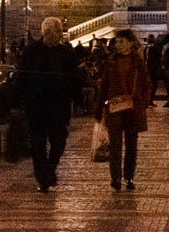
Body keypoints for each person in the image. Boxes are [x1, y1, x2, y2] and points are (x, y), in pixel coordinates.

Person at [17, 17, 84, 193]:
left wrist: (78, 100)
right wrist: (21, 100)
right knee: (37, 144)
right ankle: (42, 178)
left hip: (59, 106)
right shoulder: (31, 51)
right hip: (36, 105)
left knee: (59, 142)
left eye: (53, 32)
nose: (50, 35)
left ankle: (50, 168)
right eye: (46, 32)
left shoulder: (66, 52)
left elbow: (75, 78)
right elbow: (21, 77)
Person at [94, 29, 151, 192]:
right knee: (116, 145)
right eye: (116, 42)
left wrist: (144, 101)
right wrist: (99, 109)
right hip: (115, 108)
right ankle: (116, 177)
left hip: (133, 109)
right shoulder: (110, 62)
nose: (117, 45)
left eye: (121, 42)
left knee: (132, 145)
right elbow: (104, 86)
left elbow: (146, 83)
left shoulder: (138, 62)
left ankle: (129, 176)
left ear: (130, 43)